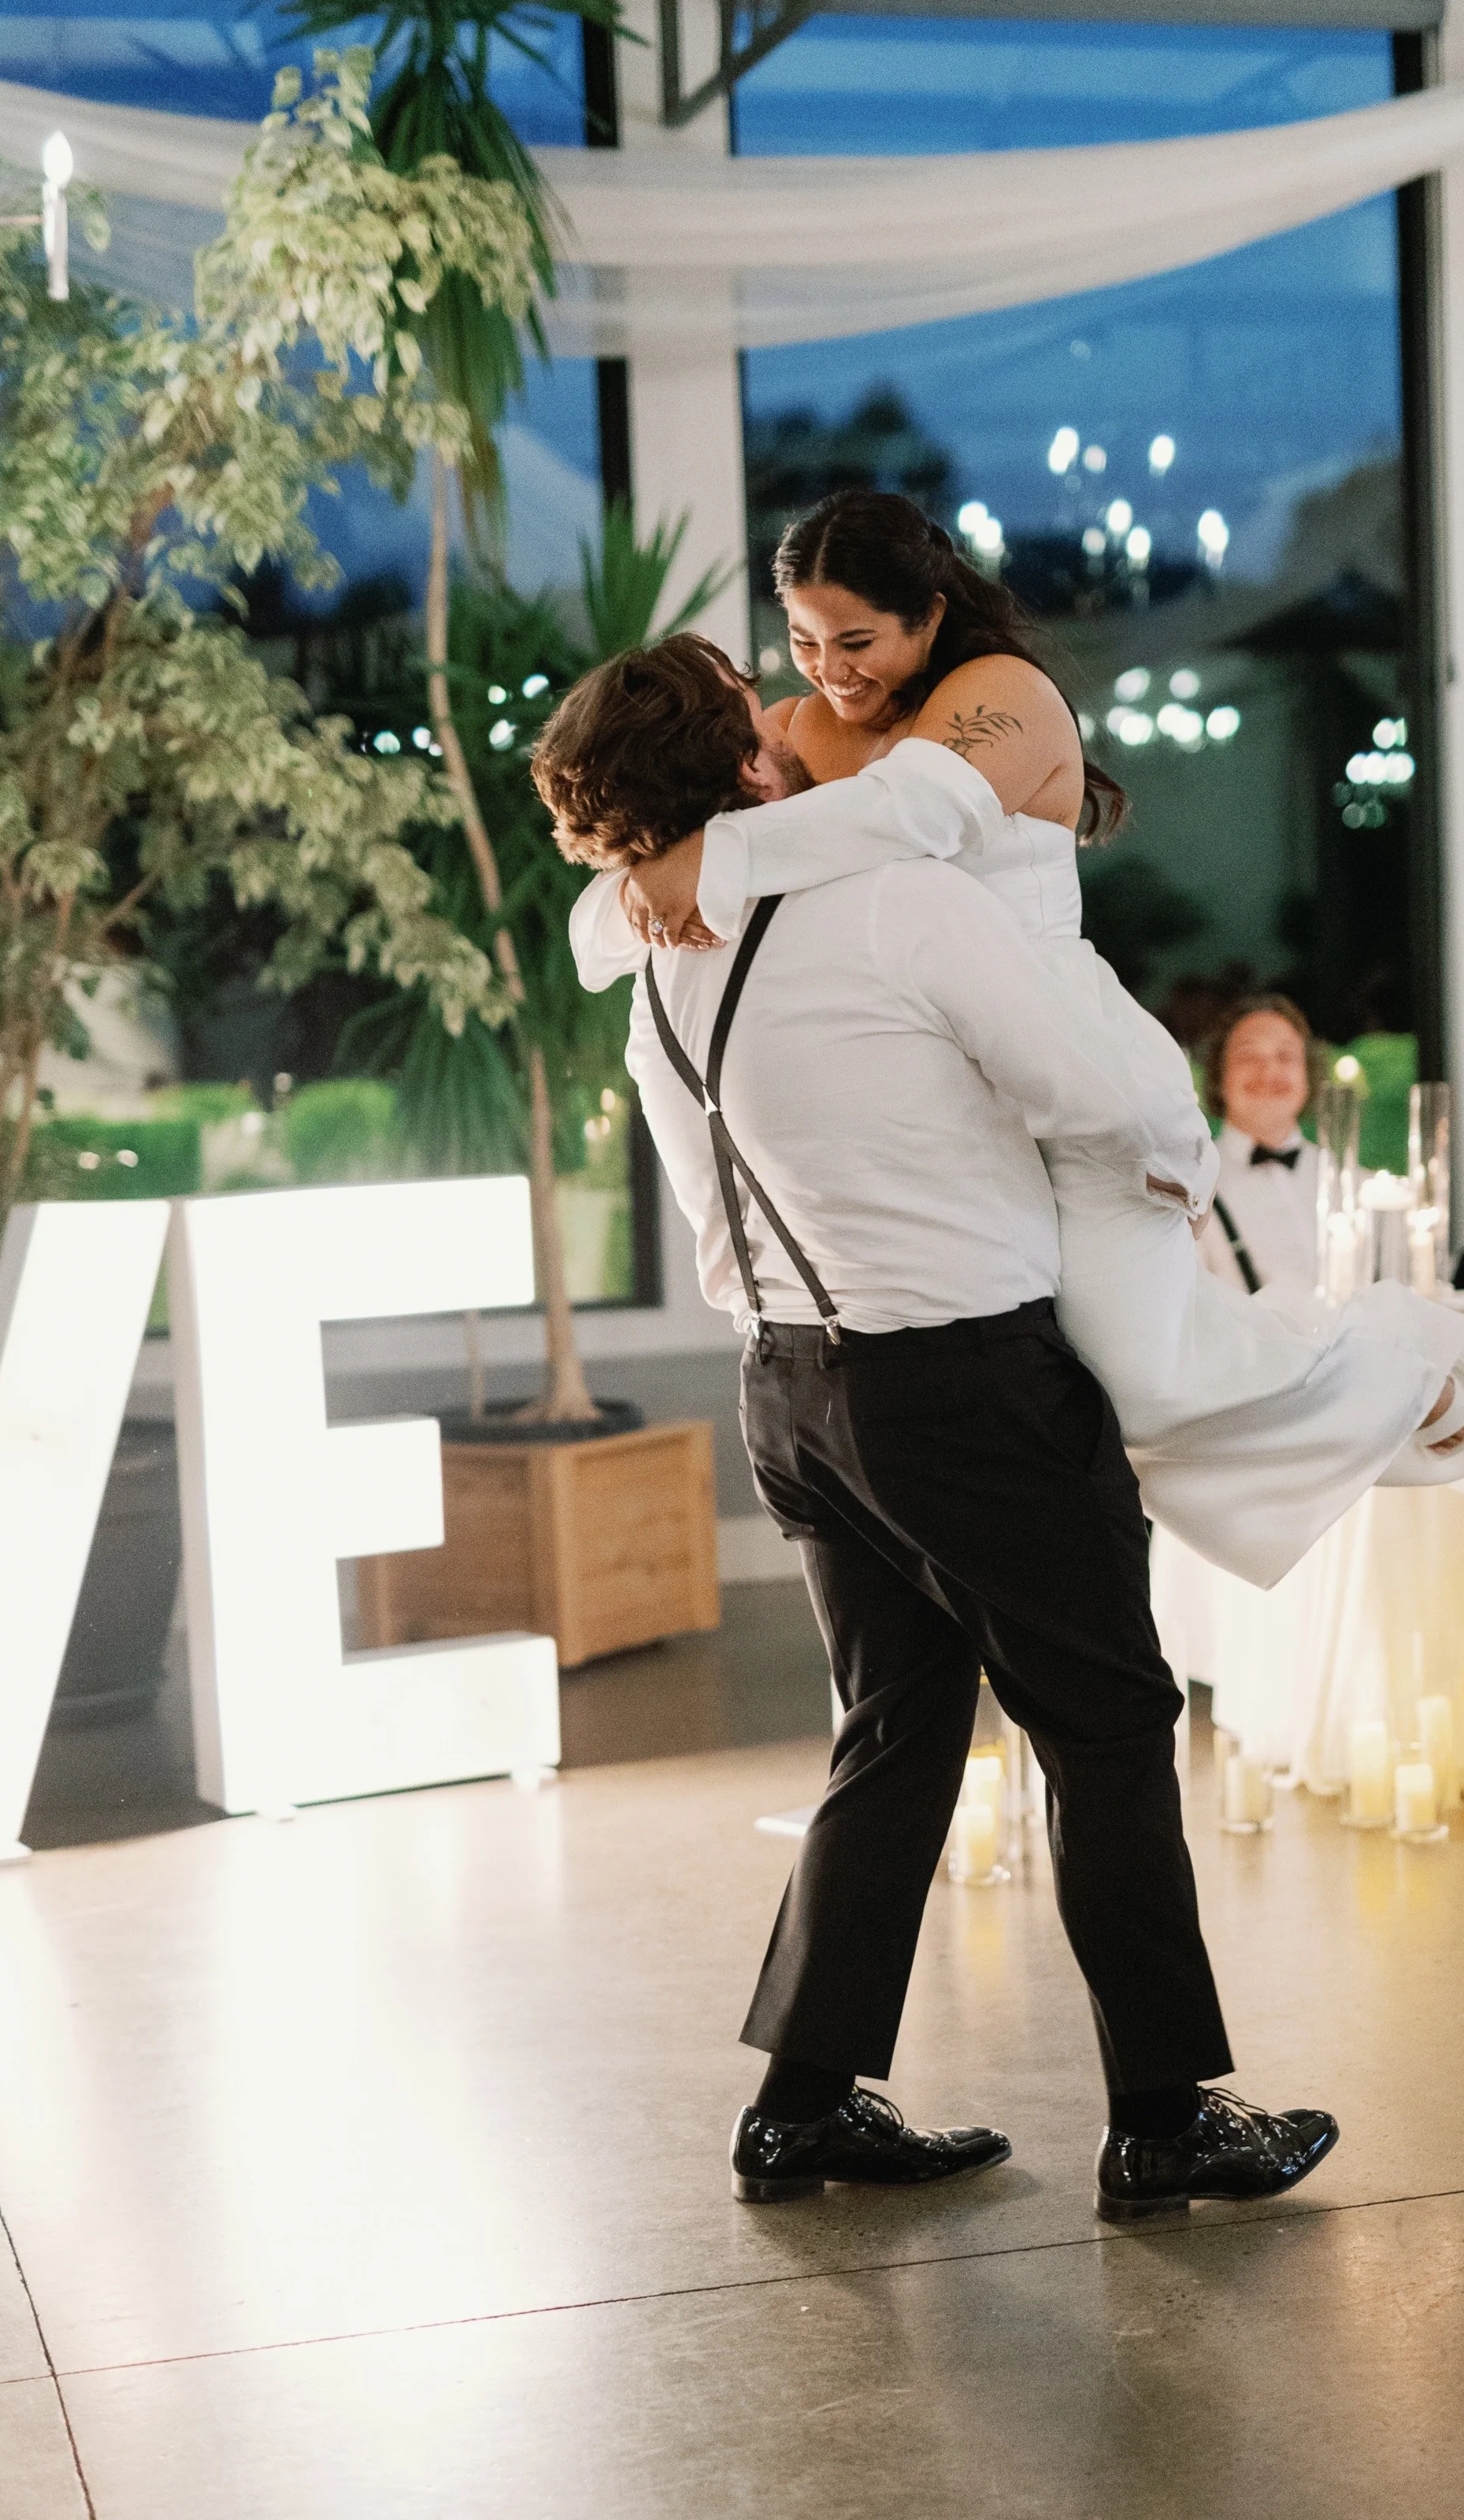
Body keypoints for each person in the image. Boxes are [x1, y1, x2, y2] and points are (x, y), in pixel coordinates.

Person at [577, 491, 1464, 1585]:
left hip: (1071, 1059)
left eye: (857, 640)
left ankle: (1399, 1366)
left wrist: (704, 864)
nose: (829, 671)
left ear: (927, 616)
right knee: (1083, 1394)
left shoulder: (1003, 693)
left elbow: (917, 815)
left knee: (1140, 1374)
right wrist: (639, 885)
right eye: (801, 641)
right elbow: (612, 915)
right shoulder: (790, 733)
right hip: (953, 1094)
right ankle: (1375, 1398)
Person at [535, 631, 1340, 2225]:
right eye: (763, 711)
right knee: (1109, 1721)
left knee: (895, 1733)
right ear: (748, 766)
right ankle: (1166, 2118)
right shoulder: (896, 903)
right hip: (963, 1385)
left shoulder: (661, 955)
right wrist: (1164, 1176)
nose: (794, 718)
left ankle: (799, 2107)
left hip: (789, 1388)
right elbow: (1096, 1091)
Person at [1195, 995, 1323, 1297]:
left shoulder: (1348, 1181)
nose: (1268, 1072)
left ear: (1307, 1074)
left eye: (1285, 1056)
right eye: (1248, 1057)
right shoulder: (1194, 1184)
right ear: (1219, 1076)